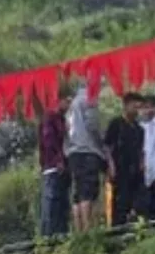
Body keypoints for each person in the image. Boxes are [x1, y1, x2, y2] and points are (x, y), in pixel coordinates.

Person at [64, 80, 107, 232]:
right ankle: (89, 229)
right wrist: (102, 144)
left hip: (73, 152)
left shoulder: (72, 104)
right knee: (88, 191)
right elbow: (93, 125)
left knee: (78, 193)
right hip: (88, 150)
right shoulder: (89, 99)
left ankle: (79, 230)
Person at [104, 92, 145, 226]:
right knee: (120, 200)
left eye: (139, 108)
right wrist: (110, 165)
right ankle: (117, 227)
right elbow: (107, 146)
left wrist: (142, 163)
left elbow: (141, 149)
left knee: (138, 200)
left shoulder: (139, 129)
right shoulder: (116, 124)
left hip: (135, 170)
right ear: (126, 106)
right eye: (134, 107)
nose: (137, 111)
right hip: (120, 168)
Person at [38, 84, 73, 237]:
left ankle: (60, 232)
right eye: (67, 101)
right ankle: (49, 235)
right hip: (52, 166)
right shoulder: (50, 118)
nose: (68, 105)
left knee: (62, 203)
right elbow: (49, 141)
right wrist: (58, 159)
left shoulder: (62, 119)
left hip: (63, 166)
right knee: (52, 202)